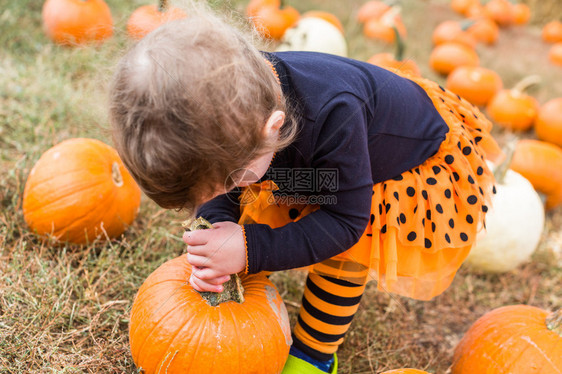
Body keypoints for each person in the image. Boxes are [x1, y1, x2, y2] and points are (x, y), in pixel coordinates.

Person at [109, 7, 501, 374]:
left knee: (346, 246)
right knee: (261, 188)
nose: (218, 193)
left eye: (226, 180)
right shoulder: (235, 103)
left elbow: (346, 218)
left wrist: (249, 248)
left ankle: (314, 354)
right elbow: (225, 184)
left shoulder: (336, 114)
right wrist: (217, 221)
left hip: (405, 163)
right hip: (326, 164)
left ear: (271, 128)